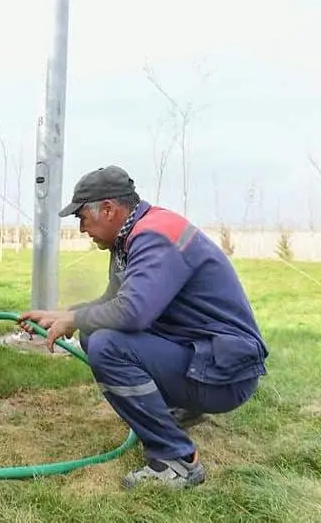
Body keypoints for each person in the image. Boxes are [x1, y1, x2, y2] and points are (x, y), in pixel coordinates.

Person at [18, 165, 268, 490]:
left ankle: (177, 461)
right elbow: (113, 300)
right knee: (95, 333)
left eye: (82, 217)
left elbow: (133, 313)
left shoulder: (154, 236)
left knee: (107, 344)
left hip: (226, 374)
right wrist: (64, 315)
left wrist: (74, 320)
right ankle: (182, 409)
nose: (81, 229)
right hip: (206, 358)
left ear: (108, 209)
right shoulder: (130, 236)